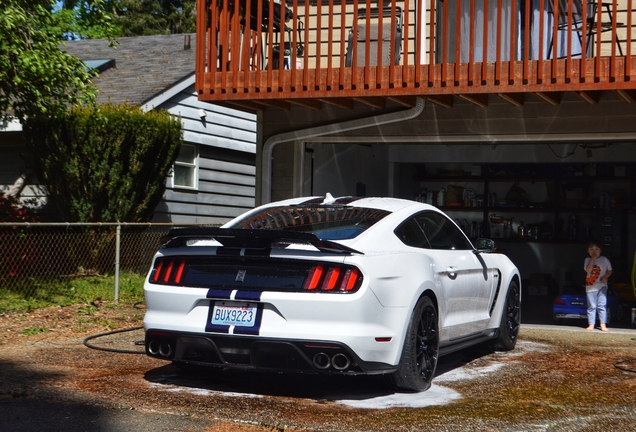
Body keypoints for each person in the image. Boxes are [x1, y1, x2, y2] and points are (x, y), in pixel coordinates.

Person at [584, 241, 613, 332]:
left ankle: (602, 324)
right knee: (592, 306)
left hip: (602, 286)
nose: (594, 251)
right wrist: (592, 259)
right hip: (590, 287)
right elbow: (588, 270)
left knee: (602, 305)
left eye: (597, 249)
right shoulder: (587, 260)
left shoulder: (604, 260)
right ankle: (591, 324)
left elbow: (610, 270)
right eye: (591, 249)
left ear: (601, 250)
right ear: (588, 251)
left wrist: (606, 276)